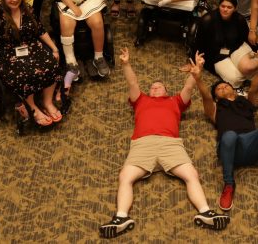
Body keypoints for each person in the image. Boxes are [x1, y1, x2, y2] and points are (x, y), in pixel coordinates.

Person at [98, 48, 230, 239]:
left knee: (191, 174)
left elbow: (188, 88)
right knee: (125, 176)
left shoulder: (175, 101)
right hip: (143, 143)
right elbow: (133, 82)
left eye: (159, 86)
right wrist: (126, 64)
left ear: (167, 91)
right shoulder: (140, 100)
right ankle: (121, 218)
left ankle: (205, 212)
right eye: (152, 87)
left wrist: (197, 70)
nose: (155, 88)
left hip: (171, 144)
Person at [192, 49, 258, 212]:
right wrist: (198, 78)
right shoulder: (215, 108)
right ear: (216, 96)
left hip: (252, 146)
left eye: (225, 85)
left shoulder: (245, 101)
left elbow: (254, 90)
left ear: (234, 90)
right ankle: (229, 183)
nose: (222, 88)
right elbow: (206, 97)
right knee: (229, 136)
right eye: (219, 89)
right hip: (230, 149)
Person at [0, 0, 62, 126]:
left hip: (28, 45)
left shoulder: (26, 8)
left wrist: (54, 48)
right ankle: (32, 107)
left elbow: (40, 30)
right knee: (25, 72)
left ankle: (47, 102)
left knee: (52, 64)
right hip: (6, 50)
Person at [194, 0, 258, 88]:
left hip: (235, 47)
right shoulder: (207, 20)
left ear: (235, 8)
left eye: (229, 7)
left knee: (248, 68)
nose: (225, 9)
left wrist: (257, 49)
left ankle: (255, 64)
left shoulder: (240, 19)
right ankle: (245, 75)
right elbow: (198, 43)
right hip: (216, 55)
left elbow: (246, 37)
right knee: (235, 79)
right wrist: (195, 62)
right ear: (218, 6)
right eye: (222, 6)